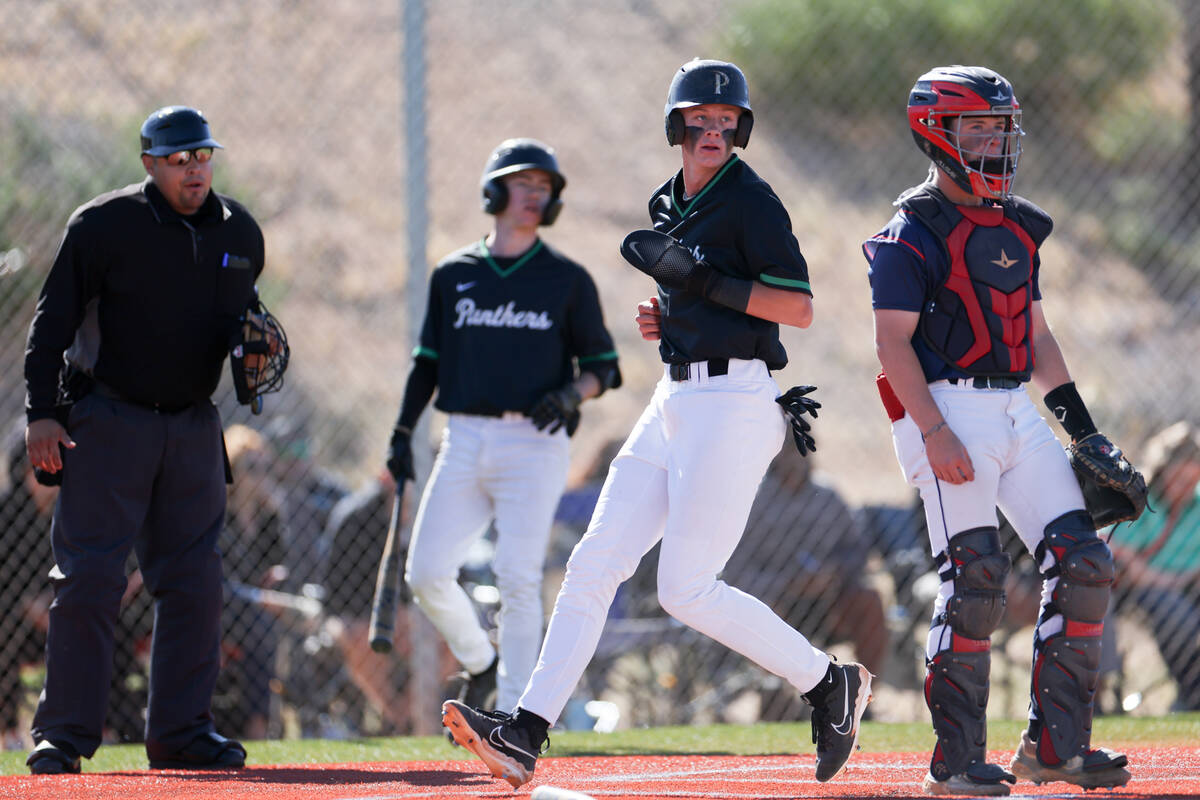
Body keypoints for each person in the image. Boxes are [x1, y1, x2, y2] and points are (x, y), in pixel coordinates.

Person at [442, 59, 871, 790]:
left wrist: (704, 286)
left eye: (726, 119)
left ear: (741, 128)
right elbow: (697, 299)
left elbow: (796, 307)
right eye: (699, 118)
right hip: (675, 398)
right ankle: (524, 733)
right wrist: (671, 315)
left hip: (735, 405)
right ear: (676, 126)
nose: (713, 129)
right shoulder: (669, 199)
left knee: (685, 588)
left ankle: (830, 682)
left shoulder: (751, 201)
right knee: (592, 563)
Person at [863, 66, 1133, 795]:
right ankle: (954, 765)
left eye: (1002, 128)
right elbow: (891, 347)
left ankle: (1056, 749)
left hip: (1017, 407)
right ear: (935, 133)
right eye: (978, 128)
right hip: (946, 411)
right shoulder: (908, 233)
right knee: (976, 582)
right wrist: (933, 432)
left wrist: (1085, 432)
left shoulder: (1018, 223)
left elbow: (1036, 336)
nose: (995, 143)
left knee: (1084, 564)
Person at [22, 106, 266, 773]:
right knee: (90, 580)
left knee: (195, 582)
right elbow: (50, 327)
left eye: (203, 156)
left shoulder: (238, 229)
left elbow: (237, 325)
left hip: (192, 423)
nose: (195, 170)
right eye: (179, 159)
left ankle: (181, 733)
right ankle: (64, 736)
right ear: (150, 164)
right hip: (108, 420)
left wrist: (248, 353)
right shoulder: (102, 224)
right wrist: (41, 413)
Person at [386, 138, 621, 718]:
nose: (535, 196)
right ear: (494, 192)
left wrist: (572, 392)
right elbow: (427, 364)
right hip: (463, 437)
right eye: (524, 184)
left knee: (517, 575)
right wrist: (401, 433)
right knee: (427, 572)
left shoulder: (565, 279)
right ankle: (481, 663)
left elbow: (604, 368)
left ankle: (515, 716)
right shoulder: (454, 274)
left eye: (545, 188)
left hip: (534, 444)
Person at [722, 445, 888, 719]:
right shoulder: (754, 499)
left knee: (869, 600)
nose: (794, 456)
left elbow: (857, 550)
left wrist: (833, 574)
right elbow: (737, 570)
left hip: (828, 598)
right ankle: (784, 702)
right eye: (787, 449)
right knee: (762, 611)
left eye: (800, 447)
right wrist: (787, 583)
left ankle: (860, 700)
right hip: (778, 602)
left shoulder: (827, 495)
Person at [1108, 421, 1200, 710]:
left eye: (1191, 482)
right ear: (1162, 472)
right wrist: (1155, 576)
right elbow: (1116, 552)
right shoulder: (1139, 501)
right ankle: (1192, 693)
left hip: (1187, 585)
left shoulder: (1196, 506)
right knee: (1174, 612)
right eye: (1178, 481)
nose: (1184, 490)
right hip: (1141, 592)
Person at [0, 423, 57, 749]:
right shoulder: (7, 511)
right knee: (5, 628)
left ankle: (106, 725)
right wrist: (28, 606)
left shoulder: (59, 514)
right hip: (13, 616)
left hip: (49, 614)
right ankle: (10, 733)